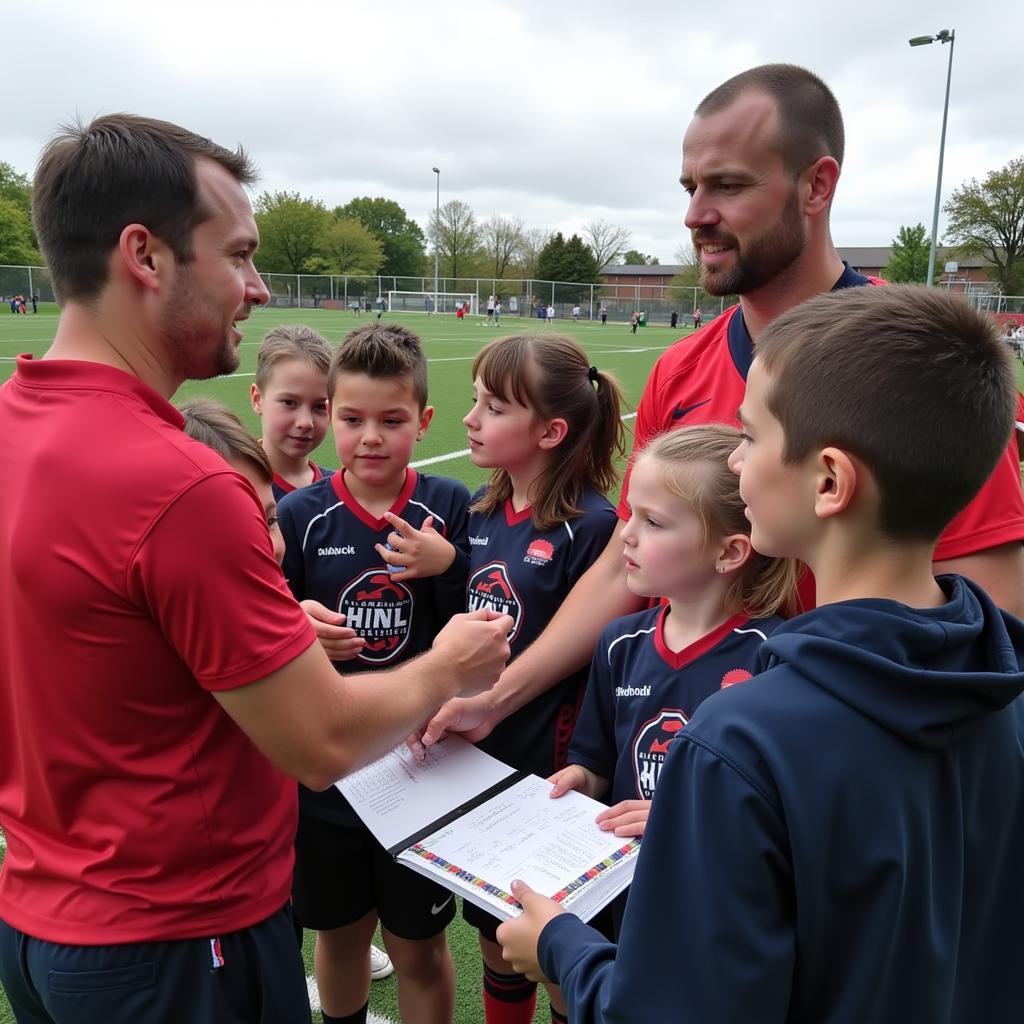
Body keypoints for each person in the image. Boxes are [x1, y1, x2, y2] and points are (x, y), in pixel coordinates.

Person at [0, 112, 511, 1024]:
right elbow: (319, 743)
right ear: (146, 257)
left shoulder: (14, 428)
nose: (257, 285)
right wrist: (450, 665)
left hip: (41, 919)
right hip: (181, 943)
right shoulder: (182, 484)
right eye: (236, 255)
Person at [417, 61, 1024, 755]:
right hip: (674, 756)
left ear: (816, 186)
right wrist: (499, 697)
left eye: (728, 186)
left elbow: (989, 615)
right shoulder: (680, 369)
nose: (695, 215)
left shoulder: (916, 366)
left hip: (820, 773)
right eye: (690, 187)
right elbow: (624, 560)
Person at [498, 284, 1024, 1022]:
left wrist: (560, 945)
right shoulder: (1003, 687)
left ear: (829, 481)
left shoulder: (740, 742)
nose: (736, 463)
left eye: (748, 435)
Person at [399, 334, 624, 1024]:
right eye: (475, 401)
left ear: (551, 432)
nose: (471, 419)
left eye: (493, 407)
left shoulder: (595, 528)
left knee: (549, 941)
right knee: (495, 937)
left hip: (547, 774)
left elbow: (590, 649)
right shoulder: (481, 511)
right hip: (481, 761)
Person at [278, 323, 469, 1024]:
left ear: (423, 419)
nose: (371, 437)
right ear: (331, 417)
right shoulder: (301, 515)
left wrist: (449, 570)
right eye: (353, 419)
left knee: (417, 946)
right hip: (331, 773)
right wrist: (297, 617)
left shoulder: (449, 507)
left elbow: (476, 626)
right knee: (340, 934)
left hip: (420, 768)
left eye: (392, 421)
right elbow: (270, 631)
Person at [548, 425, 797, 933]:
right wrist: (581, 779)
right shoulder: (619, 643)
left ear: (730, 552)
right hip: (623, 891)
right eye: (631, 514)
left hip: (716, 903)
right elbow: (596, 759)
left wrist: (677, 820)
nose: (626, 533)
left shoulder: (774, 658)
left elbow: (784, 811)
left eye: (654, 522)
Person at [250, 324, 334, 502]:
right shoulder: (236, 484)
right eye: (289, 403)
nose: (305, 422)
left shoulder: (338, 491)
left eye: (320, 406)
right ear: (257, 400)